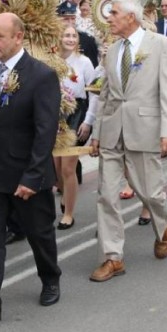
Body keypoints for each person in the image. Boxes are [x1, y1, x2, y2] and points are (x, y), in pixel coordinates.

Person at [0, 13, 62, 329]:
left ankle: (50, 277)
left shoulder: (41, 75)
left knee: (39, 233)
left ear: (18, 37)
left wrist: (32, 177)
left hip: (25, 174)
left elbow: (45, 131)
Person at [89, 0, 167, 282]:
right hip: (113, 131)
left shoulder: (160, 45)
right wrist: (96, 133)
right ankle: (112, 257)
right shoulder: (112, 50)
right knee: (106, 195)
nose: (110, 18)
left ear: (131, 17)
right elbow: (105, 94)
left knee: (150, 192)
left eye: (114, 13)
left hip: (145, 128)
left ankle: (163, 223)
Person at [54, 26, 97, 230]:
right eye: (66, 34)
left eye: (73, 35)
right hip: (54, 114)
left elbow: (94, 92)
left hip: (76, 113)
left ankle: (69, 214)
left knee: (68, 167)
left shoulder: (84, 62)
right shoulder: (50, 59)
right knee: (56, 168)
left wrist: (88, 120)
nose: (70, 39)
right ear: (58, 37)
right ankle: (64, 195)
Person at [57, 1, 99, 67]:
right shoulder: (51, 39)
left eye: (73, 19)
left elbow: (94, 67)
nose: (70, 22)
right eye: (66, 19)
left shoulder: (87, 41)